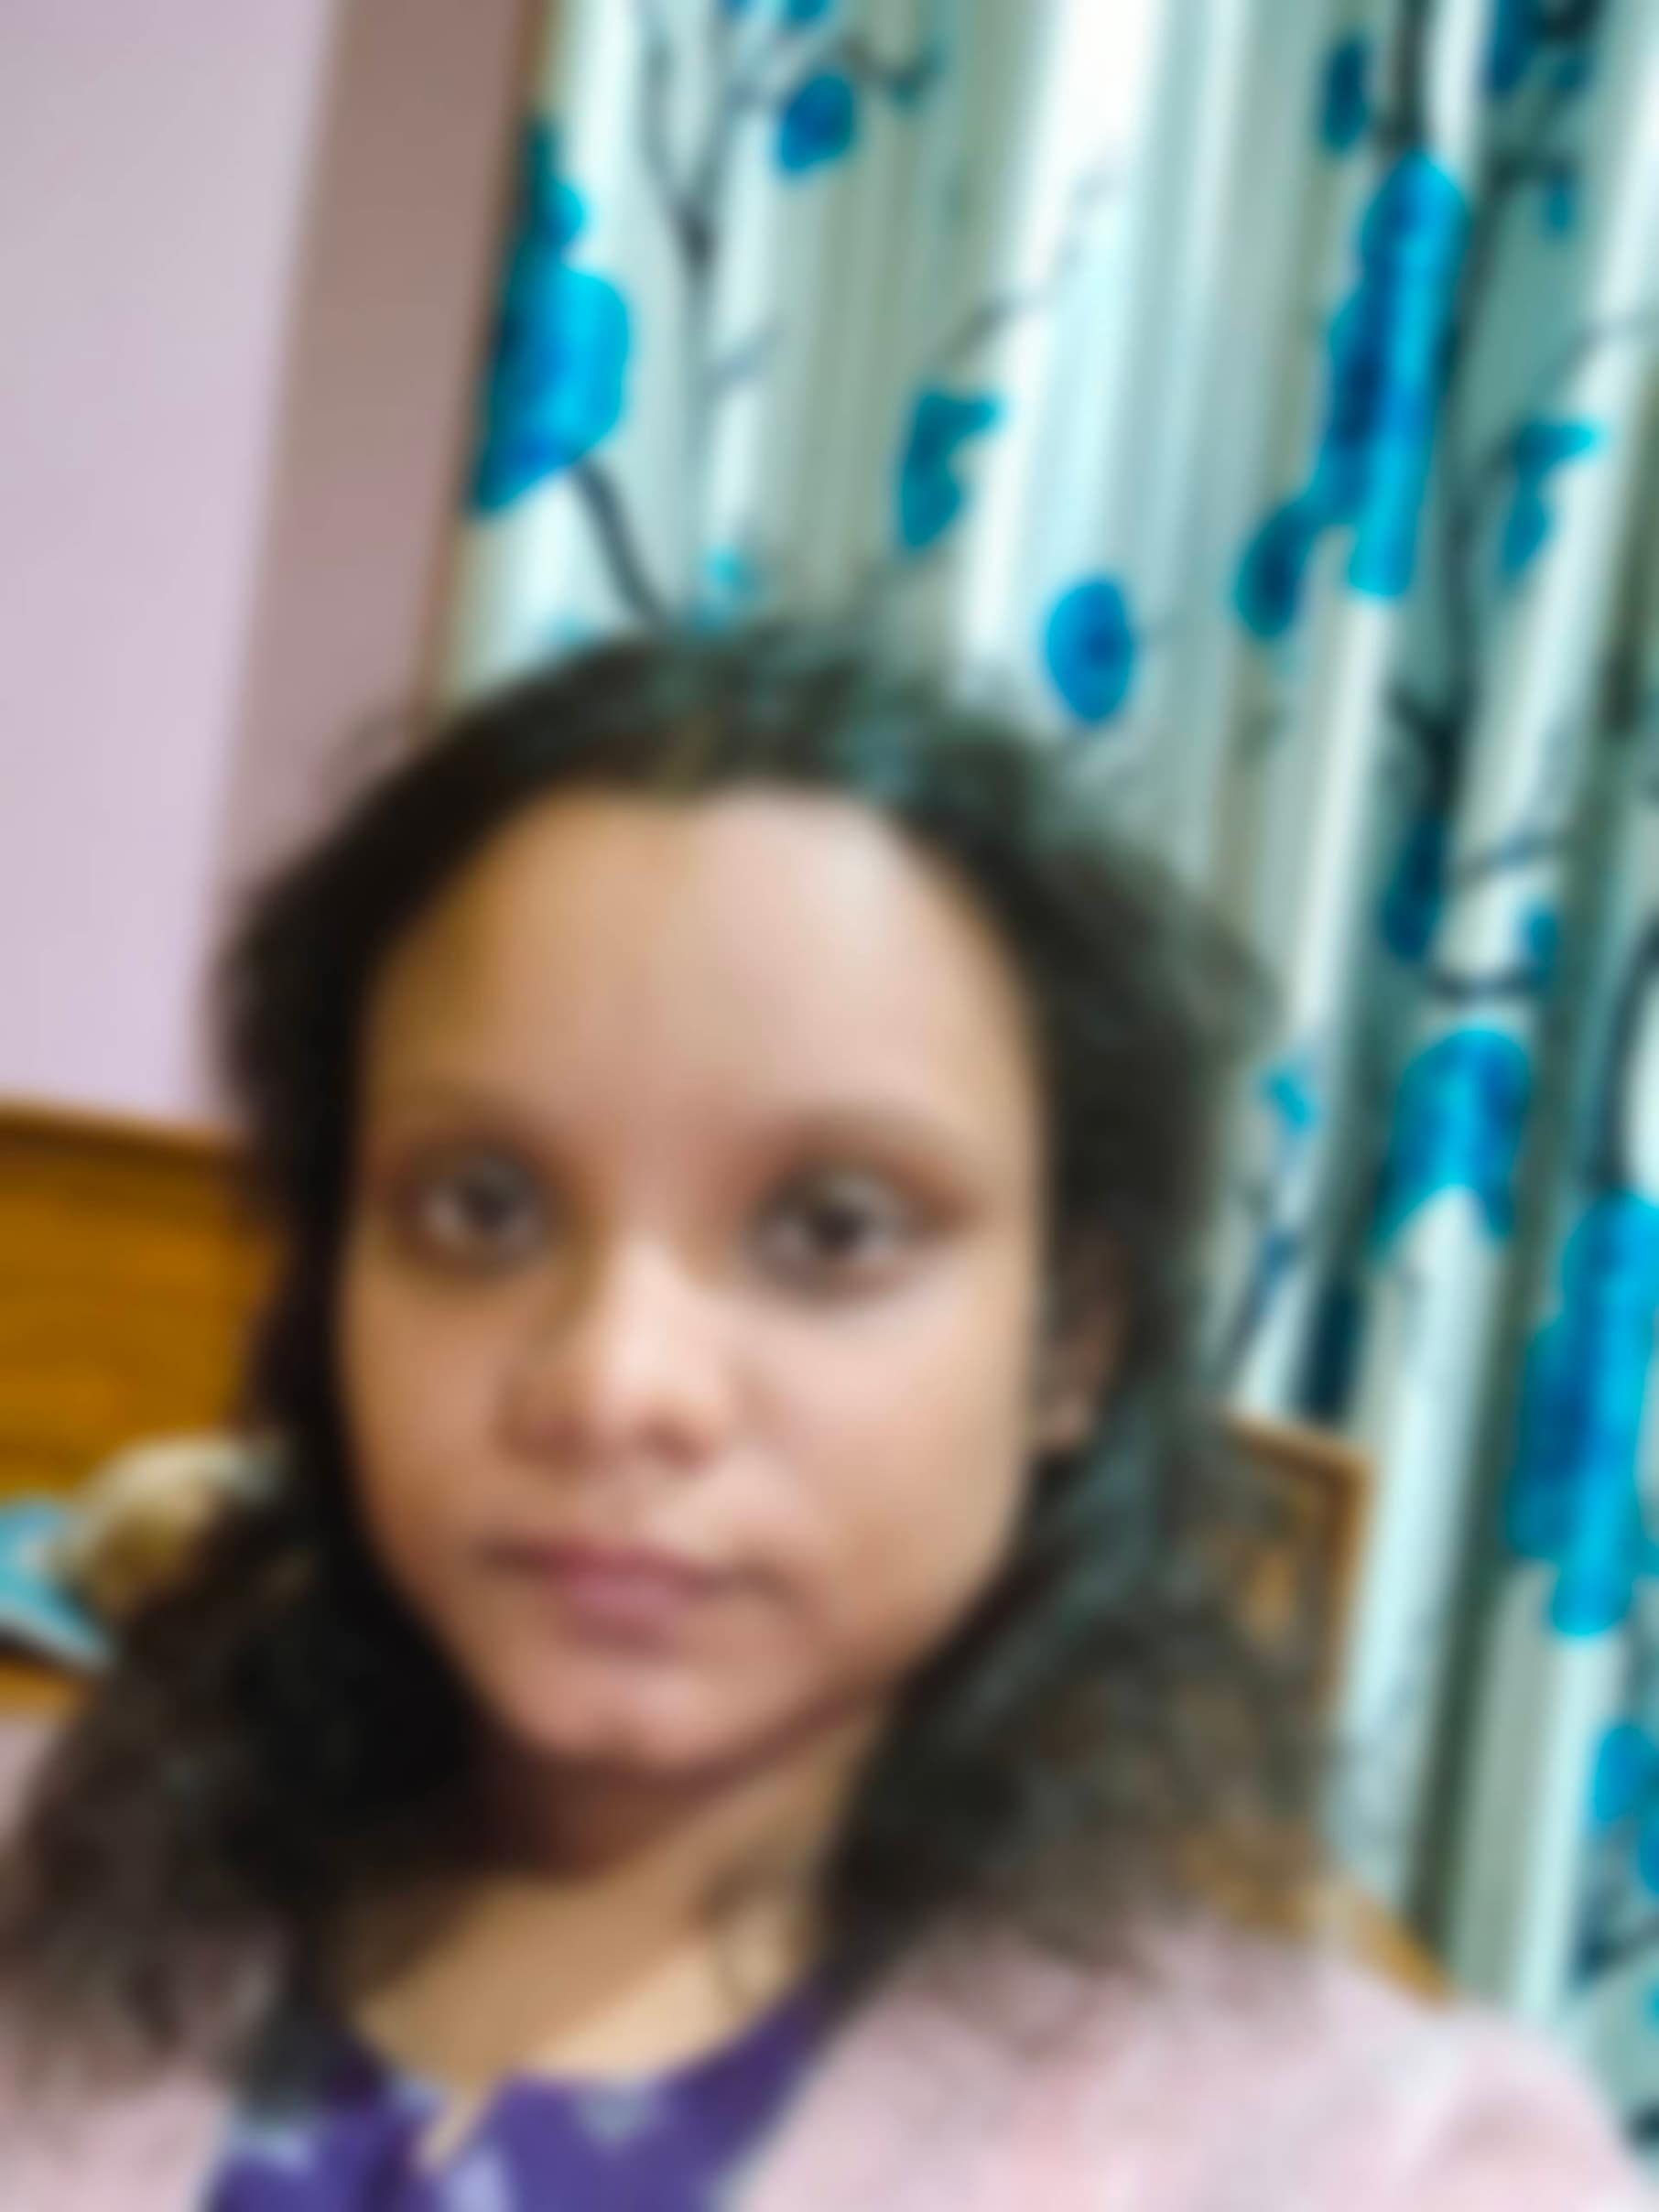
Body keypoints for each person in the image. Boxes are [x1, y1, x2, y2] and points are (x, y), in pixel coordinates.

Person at [0, 624, 1646, 2208]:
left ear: (1071, 1340)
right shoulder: (47, 1889)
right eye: (480, 1207)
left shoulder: (1363, 2157)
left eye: (833, 1229)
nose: (615, 1387)